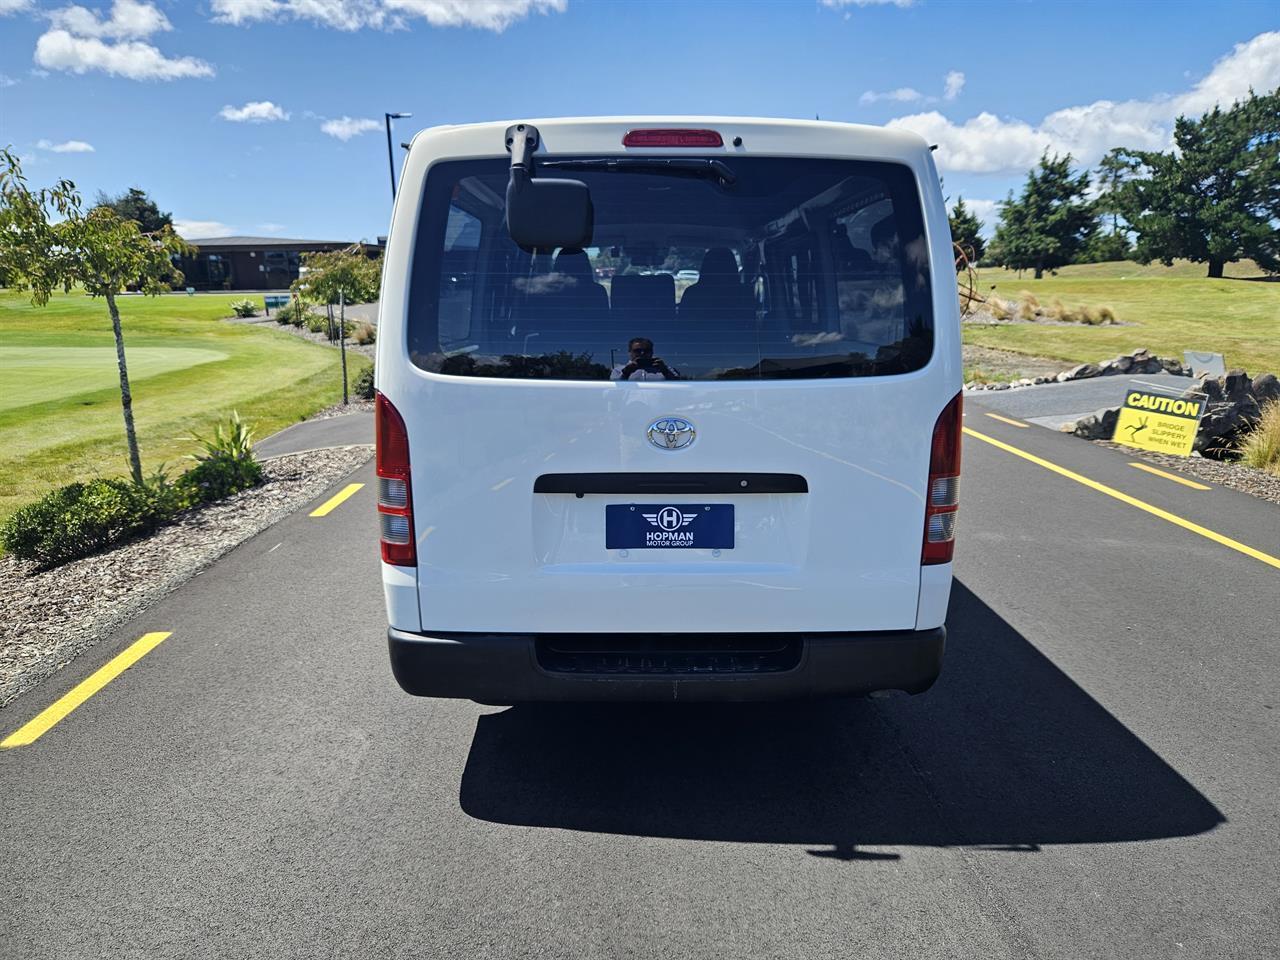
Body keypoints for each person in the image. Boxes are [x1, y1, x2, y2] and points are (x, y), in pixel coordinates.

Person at [611, 336, 680, 381]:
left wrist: (665, 371)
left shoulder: (666, 369)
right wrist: (626, 373)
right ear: (629, 352)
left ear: (652, 352)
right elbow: (611, 393)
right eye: (637, 351)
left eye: (646, 350)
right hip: (627, 404)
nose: (642, 353)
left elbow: (679, 388)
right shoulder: (618, 371)